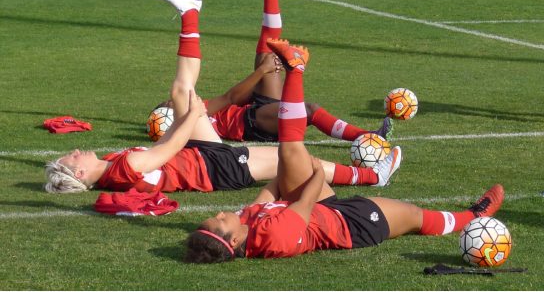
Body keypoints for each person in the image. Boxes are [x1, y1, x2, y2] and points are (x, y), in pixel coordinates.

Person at [44, 0, 402, 194]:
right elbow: (168, 149)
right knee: (293, 160)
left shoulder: (111, 166)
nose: (77, 151)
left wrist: (190, 113)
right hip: (216, 170)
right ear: (78, 172)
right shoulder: (120, 171)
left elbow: (170, 147)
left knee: (179, 93)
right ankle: (372, 177)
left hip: (198, 156)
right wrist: (191, 118)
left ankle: (189, 12)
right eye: (72, 156)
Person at [184, 39, 505, 263]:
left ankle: (295, 71)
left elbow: (267, 196)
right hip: (354, 225)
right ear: (235, 240)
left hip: (323, 210)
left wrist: (290, 173)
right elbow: (307, 199)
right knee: (419, 217)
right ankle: (474, 216)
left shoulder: (244, 221)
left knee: (290, 152)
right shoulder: (274, 236)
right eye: (219, 221)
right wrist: (315, 172)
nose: (220, 213)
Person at [153, 0, 394, 144]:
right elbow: (229, 98)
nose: (169, 101)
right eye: (167, 105)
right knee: (308, 109)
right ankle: (366, 135)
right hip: (252, 125)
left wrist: (265, 73)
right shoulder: (192, 115)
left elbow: (239, 98)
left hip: (254, 109)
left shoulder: (193, 105)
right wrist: (261, 73)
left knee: (268, 51)